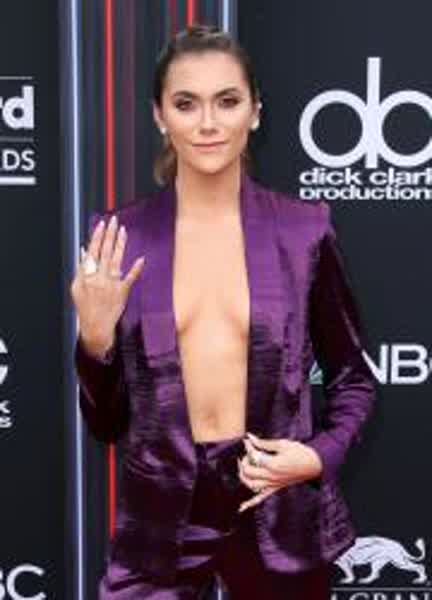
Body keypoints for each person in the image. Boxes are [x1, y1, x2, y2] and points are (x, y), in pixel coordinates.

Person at [71, 24, 375, 600]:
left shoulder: (304, 231)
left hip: (274, 505)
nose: (208, 123)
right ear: (160, 116)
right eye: (186, 104)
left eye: (227, 101)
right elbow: (106, 425)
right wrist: (94, 341)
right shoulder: (119, 238)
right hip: (159, 519)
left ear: (255, 112)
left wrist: (315, 456)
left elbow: (354, 378)